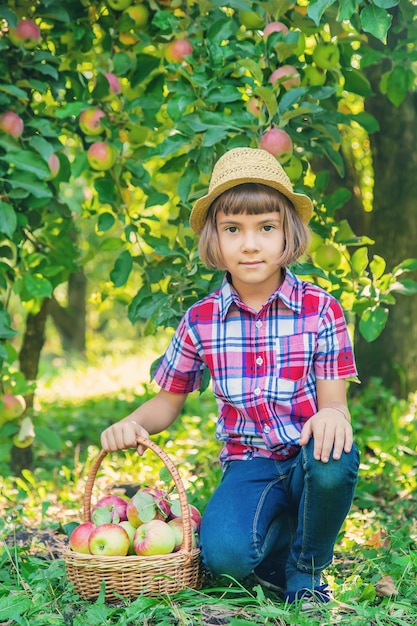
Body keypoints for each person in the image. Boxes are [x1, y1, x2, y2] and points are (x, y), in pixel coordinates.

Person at [100, 147, 360, 608]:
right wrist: (133, 422)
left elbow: (333, 403)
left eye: (266, 228)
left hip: (306, 454)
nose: (250, 244)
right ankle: (284, 533)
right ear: (215, 241)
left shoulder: (321, 309)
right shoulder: (201, 319)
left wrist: (333, 417)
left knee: (334, 463)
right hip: (248, 465)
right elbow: (168, 400)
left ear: (288, 234)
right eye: (233, 229)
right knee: (224, 557)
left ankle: (308, 570)